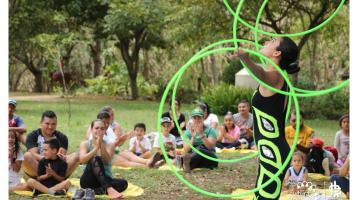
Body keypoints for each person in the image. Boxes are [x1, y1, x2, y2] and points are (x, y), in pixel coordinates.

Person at [231, 37, 300, 199]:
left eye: (272, 41)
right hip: (270, 149)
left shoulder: (275, 77)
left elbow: (261, 74)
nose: (266, 41)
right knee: (261, 195)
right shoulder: (276, 76)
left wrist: (245, 58)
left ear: (277, 52)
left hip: (273, 150)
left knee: (264, 196)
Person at [76, 119, 128, 199]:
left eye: (102, 128)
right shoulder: (85, 144)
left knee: (124, 183)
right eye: (96, 128)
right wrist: (95, 149)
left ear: (105, 131)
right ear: (91, 130)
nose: (99, 130)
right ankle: (108, 188)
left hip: (105, 179)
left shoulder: (109, 144)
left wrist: (101, 144)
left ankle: (93, 191)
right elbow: (82, 160)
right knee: (95, 159)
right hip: (88, 180)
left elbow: (107, 160)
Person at [23, 110, 79, 178]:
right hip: (38, 168)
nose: (50, 127)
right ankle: (44, 180)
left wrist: (59, 158)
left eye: (53, 124)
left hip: (56, 168)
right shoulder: (32, 136)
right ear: (41, 123)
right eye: (47, 124)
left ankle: (56, 180)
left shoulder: (62, 137)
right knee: (27, 156)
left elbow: (60, 158)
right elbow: (34, 155)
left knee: (76, 156)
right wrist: (49, 158)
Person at [183, 108, 218, 174]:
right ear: (192, 119)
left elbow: (210, 147)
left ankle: (186, 164)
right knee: (195, 154)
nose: (197, 120)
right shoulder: (188, 132)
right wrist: (193, 137)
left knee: (200, 150)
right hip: (196, 159)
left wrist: (201, 133)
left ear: (203, 118)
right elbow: (186, 149)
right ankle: (188, 165)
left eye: (199, 118)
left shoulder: (211, 130)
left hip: (209, 158)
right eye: (194, 118)